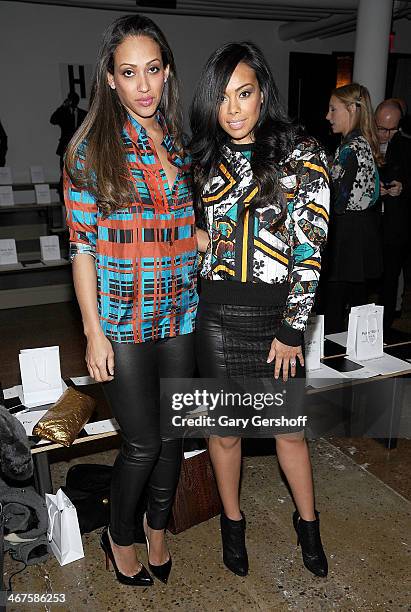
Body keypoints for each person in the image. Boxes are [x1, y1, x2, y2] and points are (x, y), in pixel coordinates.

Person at [64, 14, 198, 587]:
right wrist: (93, 333)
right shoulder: (89, 150)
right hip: (123, 321)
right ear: (111, 80)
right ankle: (119, 538)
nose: (142, 85)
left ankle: (159, 531)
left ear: (166, 74)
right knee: (142, 442)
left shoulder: (182, 145)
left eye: (152, 70)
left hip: (181, 312)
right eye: (128, 73)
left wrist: (204, 237)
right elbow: (81, 247)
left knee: (174, 436)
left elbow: (186, 227)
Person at [190, 42, 330, 578]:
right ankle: (233, 522)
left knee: (287, 431)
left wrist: (293, 328)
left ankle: (309, 524)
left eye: (243, 93)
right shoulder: (203, 158)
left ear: (263, 93)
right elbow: (197, 229)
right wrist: (199, 237)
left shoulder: (301, 154)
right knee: (224, 431)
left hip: (278, 321)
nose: (233, 109)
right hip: (217, 317)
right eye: (222, 97)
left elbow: (310, 249)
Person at [323, 83, 382, 334]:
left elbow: (336, 201)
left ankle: (332, 363)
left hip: (346, 234)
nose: (328, 116)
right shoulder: (362, 143)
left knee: (334, 308)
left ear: (351, 109)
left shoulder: (350, 149)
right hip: (360, 231)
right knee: (356, 303)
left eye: (332, 109)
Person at [375, 99, 411, 331]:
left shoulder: (406, 146)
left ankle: (390, 326)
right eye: (381, 128)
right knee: (381, 279)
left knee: (394, 278)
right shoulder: (365, 142)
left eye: (391, 129)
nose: (385, 134)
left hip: (400, 226)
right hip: (375, 225)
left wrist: (403, 187)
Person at [50, 92, 87, 198]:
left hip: (80, 149)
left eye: (74, 99)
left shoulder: (83, 113)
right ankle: (63, 195)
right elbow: (53, 120)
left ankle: (78, 195)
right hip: (65, 147)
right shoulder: (63, 112)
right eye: (70, 99)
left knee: (79, 171)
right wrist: (63, 106)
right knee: (64, 171)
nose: (72, 101)